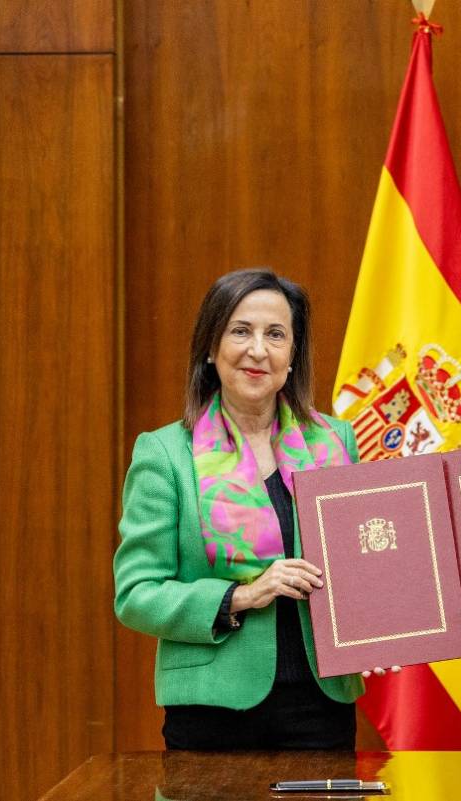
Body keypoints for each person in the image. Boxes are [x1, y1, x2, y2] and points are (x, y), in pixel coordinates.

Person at [114, 269, 393, 750]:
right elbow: (136, 594)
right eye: (240, 331)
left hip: (323, 706)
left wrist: (381, 625)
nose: (258, 350)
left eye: (276, 335)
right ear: (210, 347)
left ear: (292, 356)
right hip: (213, 710)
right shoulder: (165, 454)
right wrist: (242, 596)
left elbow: (361, 565)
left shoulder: (335, 442)